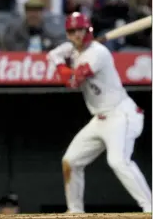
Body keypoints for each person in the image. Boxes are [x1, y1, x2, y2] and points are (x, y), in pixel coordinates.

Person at [47, 12, 152, 213]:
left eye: (80, 30)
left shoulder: (98, 53)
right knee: (71, 161)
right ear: (68, 34)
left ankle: (150, 208)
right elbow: (56, 55)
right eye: (72, 31)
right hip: (100, 119)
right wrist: (61, 55)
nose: (77, 34)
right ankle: (75, 211)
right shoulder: (74, 50)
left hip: (122, 115)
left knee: (118, 161)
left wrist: (59, 62)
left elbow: (73, 81)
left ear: (89, 30)